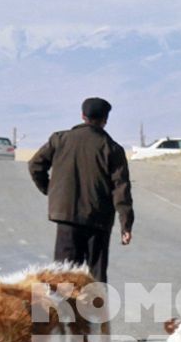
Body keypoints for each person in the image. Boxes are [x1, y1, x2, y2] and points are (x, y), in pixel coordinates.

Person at [28, 96, 134, 282]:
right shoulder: (112, 149)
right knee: (96, 278)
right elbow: (121, 189)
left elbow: (35, 165)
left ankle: (65, 311)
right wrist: (126, 224)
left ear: (82, 115)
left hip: (67, 218)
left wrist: (51, 190)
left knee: (62, 278)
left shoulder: (60, 140)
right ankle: (94, 311)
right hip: (99, 221)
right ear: (105, 120)